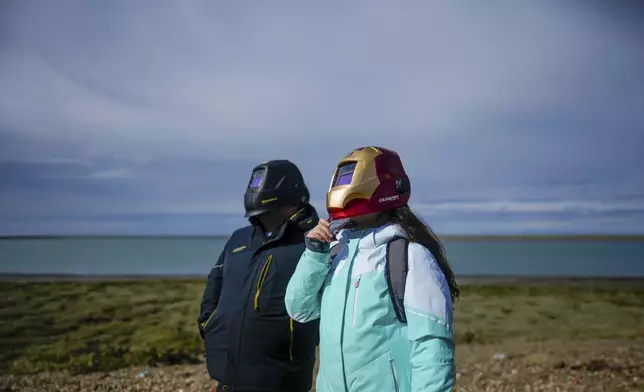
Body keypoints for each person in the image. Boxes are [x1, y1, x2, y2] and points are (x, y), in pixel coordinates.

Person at [285, 146, 459, 392]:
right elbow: (299, 310)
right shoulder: (334, 252)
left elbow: (431, 346)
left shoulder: (410, 256)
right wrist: (314, 254)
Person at [198, 160, 320, 392]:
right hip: (226, 376)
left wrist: (298, 342)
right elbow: (215, 285)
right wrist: (208, 324)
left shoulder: (312, 242)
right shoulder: (238, 239)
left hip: (280, 379)